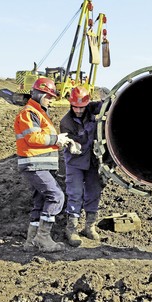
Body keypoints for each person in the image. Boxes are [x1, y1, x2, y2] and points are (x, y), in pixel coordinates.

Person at [14, 77, 73, 253]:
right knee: (56, 196)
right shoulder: (29, 113)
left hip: (39, 164)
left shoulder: (38, 112)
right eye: (48, 96)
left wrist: (63, 142)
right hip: (34, 164)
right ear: (39, 94)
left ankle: (31, 241)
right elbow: (32, 138)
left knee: (40, 201)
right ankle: (43, 237)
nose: (51, 100)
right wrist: (57, 139)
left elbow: (43, 139)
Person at [59, 86, 103, 247]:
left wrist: (109, 99)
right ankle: (71, 229)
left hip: (91, 161)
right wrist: (72, 143)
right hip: (75, 162)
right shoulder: (66, 122)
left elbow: (105, 106)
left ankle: (89, 226)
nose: (78, 110)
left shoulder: (91, 109)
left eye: (81, 107)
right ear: (71, 104)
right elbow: (70, 139)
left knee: (93, 192)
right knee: (75, 193)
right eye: (75, 107)